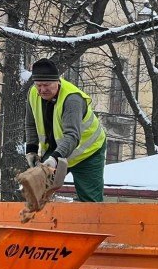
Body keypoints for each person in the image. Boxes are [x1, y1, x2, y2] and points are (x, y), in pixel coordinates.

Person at [24, 58, 107, 203]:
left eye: (47, 85)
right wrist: (31, 150)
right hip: (57, 148)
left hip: (88, 153)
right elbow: (31, 124)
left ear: (57, 81)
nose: (42, 90)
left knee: (90, 201)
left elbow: (72, 136)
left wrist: (54, 158)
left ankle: (89, 223)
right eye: (39, 85)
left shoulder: (72, 99)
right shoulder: (33, 93)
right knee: (36, 191)